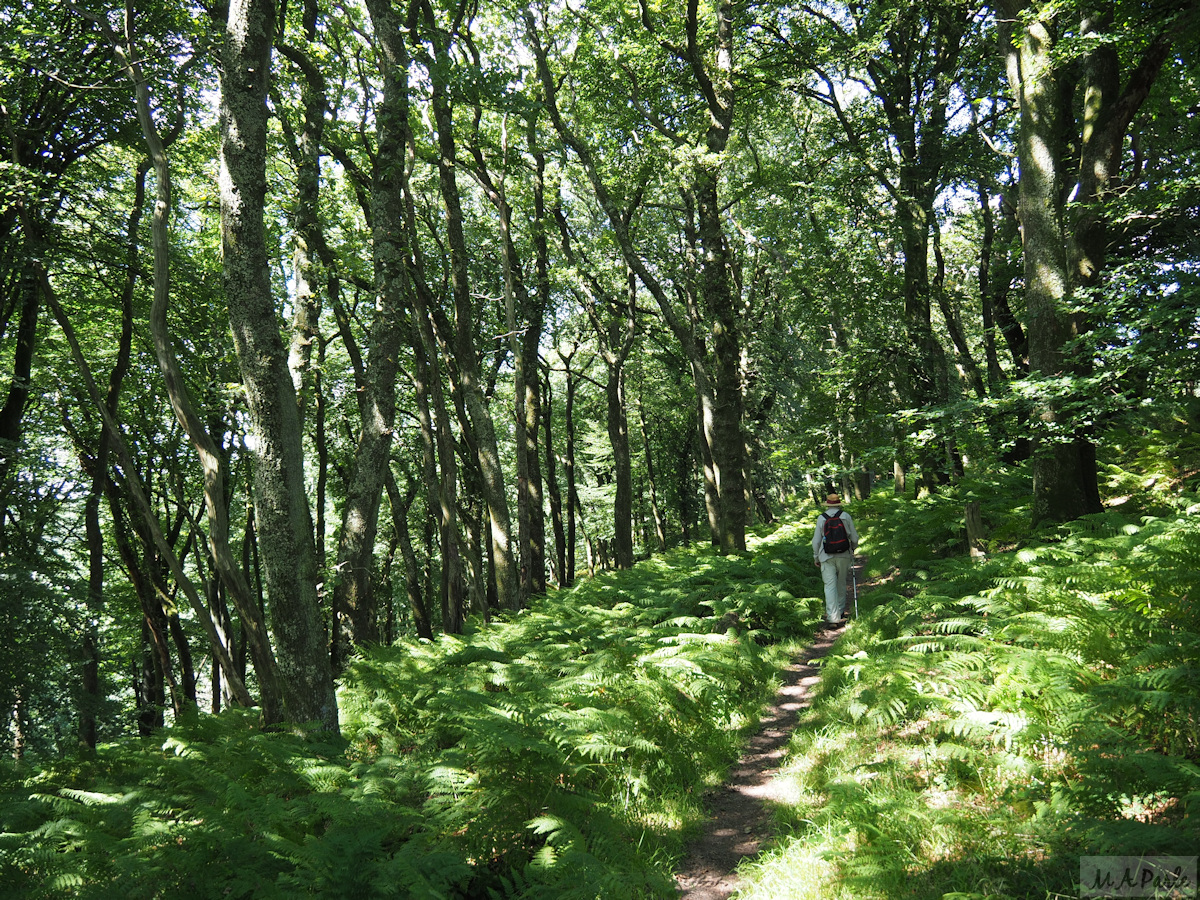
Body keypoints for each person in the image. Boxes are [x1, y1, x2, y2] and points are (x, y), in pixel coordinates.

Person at [812, 492, 859, 626]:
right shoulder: (845, 516)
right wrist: (852, 549)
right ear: (839, 503)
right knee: (841, 583)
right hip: (844, 554)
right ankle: (841, 609)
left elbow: (816, 541)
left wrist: (816, 556)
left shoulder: (821, 518)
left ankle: (833, 618)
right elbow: (854, 538)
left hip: (826, 556)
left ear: (827, 504)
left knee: (829, 586)